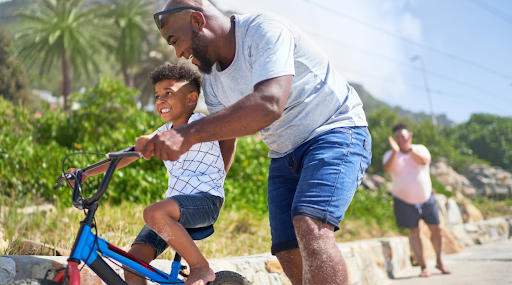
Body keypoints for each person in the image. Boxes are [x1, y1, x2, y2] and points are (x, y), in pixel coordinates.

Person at [142, 1, 372, 284]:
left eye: (175, 41)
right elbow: (226, 132)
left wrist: (187, 134)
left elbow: (269, 103)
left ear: (199, 21)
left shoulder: (264, 30)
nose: (178, 53)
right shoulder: (212, 80)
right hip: (283, 151)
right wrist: (211, 183)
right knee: (286, 249)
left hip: (334, 131)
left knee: (310, 224)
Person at [68, 63, 228, 285]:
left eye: (168, 93)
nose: (161, 100)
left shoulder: (199, 123)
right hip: (173, 207)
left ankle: (200, 267)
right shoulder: (163, 132)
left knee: (153, 212)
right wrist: (85, 173)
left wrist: (151, 141)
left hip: (205, 202)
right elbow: (126, 156)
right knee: (132, 263)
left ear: (191, 99)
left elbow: (193, 135)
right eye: (157, 96)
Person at [383, 122, 452, 278]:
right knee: (414, 233)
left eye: (403, 136)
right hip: (403, 200)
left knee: (436, 230)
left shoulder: (420, 149)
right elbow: (387, 169)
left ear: (410, 136)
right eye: (397, 137)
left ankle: (440, 262)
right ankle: (423, 267)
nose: (400, 139)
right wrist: (396, 152)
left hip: (426, 198)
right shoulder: (390, 154)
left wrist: (408, 150)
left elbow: (423, 161)